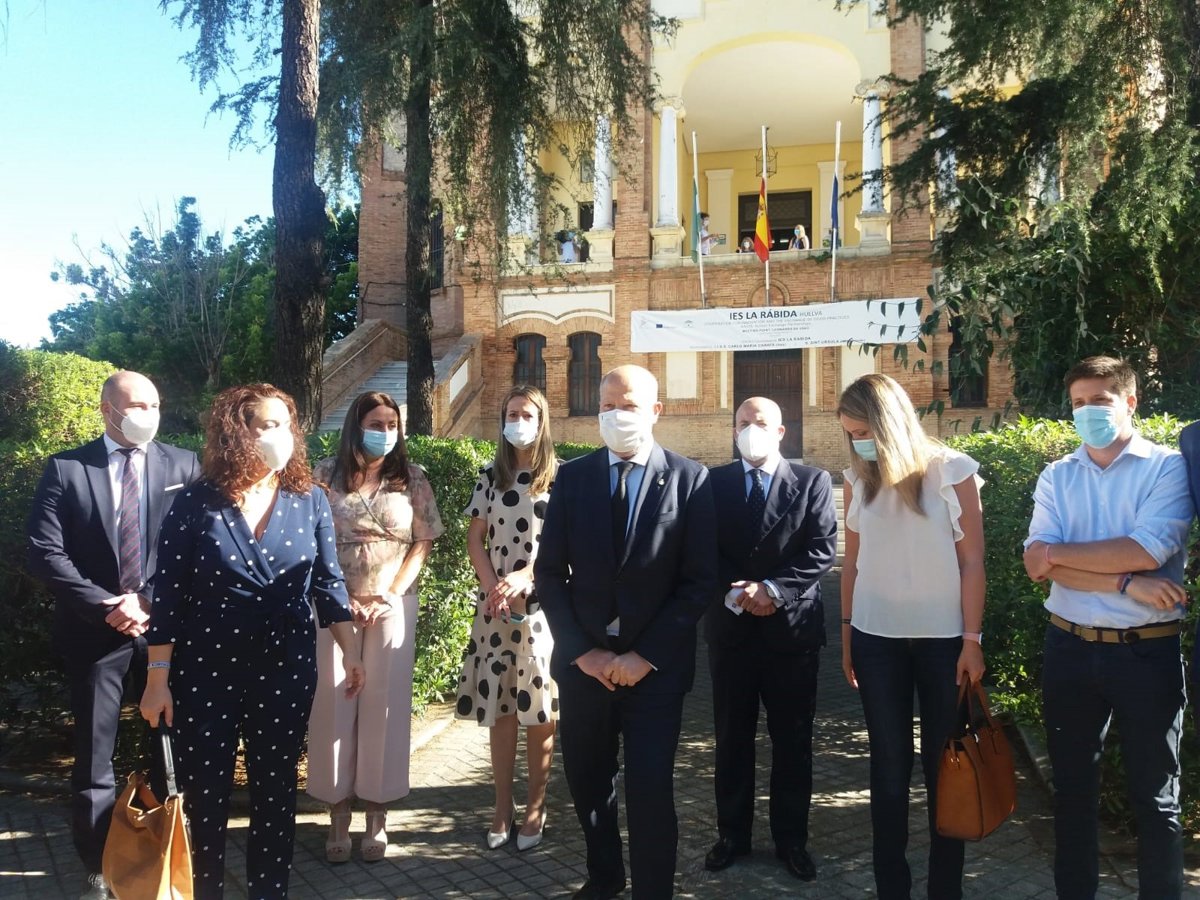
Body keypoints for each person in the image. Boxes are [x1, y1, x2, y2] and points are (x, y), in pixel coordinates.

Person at [138, 384, 367, 900]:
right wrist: (157, 679)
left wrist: (350, 651)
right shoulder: (196, 502)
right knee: (205, 794)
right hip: (206, 667)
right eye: (267, 425)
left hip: (286, 663)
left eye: (286, 424)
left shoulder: (309, 499)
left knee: (276, 788)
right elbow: (169, 596)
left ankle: (270, 891)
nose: (280, 435)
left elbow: (329, 583)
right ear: (236, 432)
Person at [535, 364, 717, 900]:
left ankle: (652, 890)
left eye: (629, 405)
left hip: (654, 672)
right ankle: (605, 877)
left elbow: (699, 582)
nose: (617, 415)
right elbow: (550, 573)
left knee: (650, 789)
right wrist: (581, 652)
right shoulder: (574, 477)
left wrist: (646, 656)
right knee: (589, 784)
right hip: (585, 668)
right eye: (608, 406)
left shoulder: (690, 478)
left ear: (656, 411)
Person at [26, 370, 200, 900]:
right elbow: (44, 552)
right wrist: (108, 605)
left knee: (169, 749)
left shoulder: (184, 465)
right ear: (108, 410)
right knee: (93, 758)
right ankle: (100, 869)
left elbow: (196, 546)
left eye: (155, 405)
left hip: (164, 633)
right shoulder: (67, 469)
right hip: (94, 636)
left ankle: (166, 858)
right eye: (137, 406)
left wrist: (146, 600)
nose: (149, 414)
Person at [1023, 356, 1191, 899]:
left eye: (1100, 401)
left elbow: (1145, 550)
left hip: (1146, 653)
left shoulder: (1166, 468)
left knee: (1155, 798)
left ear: (1130, 403)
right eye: (1078, 403)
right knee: (1072, 795)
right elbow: (1033, 564)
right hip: (1068, 647)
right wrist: (1125, 583)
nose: (1087, 412)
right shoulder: (1057, 475)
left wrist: (1063, 557)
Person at [837, 373, 986, 900]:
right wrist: (847, 635)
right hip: (875, 640)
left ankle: (945, 890)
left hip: (944, 643)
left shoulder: (953, 471)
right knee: (888, 767)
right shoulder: (857, 479)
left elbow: (972, 563)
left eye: (862, 432)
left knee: (946, 769)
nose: (857, 443)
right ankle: (891, 889)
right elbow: (852, 564)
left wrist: (972, 640)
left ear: (888, 424)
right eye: (849, 433)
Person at [703, 397, 837, 882]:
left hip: (791, 633)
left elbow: (822, 548)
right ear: (732, 430)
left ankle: (791, 841)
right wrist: (738, 591)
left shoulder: (813, 481)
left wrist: (773, 591)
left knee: (793, 741)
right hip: (732, 630)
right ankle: (732, 836)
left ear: (781, 431)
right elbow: (700, 547)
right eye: (743, 422)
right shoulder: (710, 482)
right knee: (731, 739)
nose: (750, 429)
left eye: (760, 422)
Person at [307, 391, 444, 862]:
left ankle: (377, 815)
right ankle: (337, 812)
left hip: (392, 604)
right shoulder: (324, 474)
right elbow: (312, 542)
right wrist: (340, 597)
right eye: (376, 423)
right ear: (356, 425)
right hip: (334, 606)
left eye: (392, 424)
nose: (385, 431)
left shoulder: (412, 477)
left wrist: (391, 592)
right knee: (333, 703)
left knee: (384, 707)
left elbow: (423, 541)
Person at [455, 385, 558, 852]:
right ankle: (502, 806)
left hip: (543, 609)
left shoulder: (561, 477)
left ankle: (536, 805)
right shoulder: (488, 476)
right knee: (501, 708)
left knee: (539, 711)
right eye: (511, 413)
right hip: (495, 609)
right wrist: (494, 586)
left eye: (527, 413)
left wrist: (526, 577)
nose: (518, 421)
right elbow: (475, 538)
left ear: (542, 420)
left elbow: (565, 544)